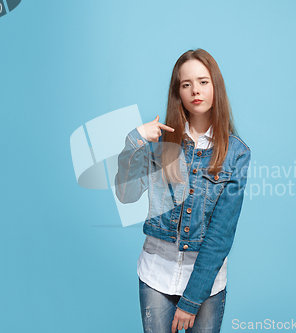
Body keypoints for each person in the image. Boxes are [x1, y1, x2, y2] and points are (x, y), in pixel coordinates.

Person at [115, 48, 251, 333]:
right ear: (178, 92)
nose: (195, 90)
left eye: (203, 82)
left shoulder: (236, 153)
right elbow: (127, 195)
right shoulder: (160, 141)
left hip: (206, 285)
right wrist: (134, 141)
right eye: (186, 84)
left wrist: (191, 300)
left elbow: (221, 235)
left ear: (216, 86)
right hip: (155, 275)